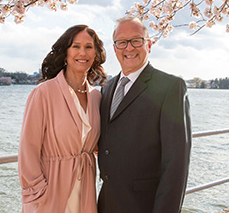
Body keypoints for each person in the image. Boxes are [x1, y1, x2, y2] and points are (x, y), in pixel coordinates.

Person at [97, 17, 192, 213]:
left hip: (144, 206)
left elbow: (176, 164)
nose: (129, 48)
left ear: (148, 45)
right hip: (106, 203)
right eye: (122, 42)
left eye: (136, 40)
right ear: (115, 48)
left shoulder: (170, 87)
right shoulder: (106, 89)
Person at [18, 24, 106, 213]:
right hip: (51, 191)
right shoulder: (43, 93)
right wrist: (37, 192)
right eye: (76, 46)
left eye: (89, 47)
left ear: (95, 54)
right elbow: (28, 148)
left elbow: (101, 145)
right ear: (65, 52)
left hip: (85, 191)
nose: (82, 52)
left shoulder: (97, 97)